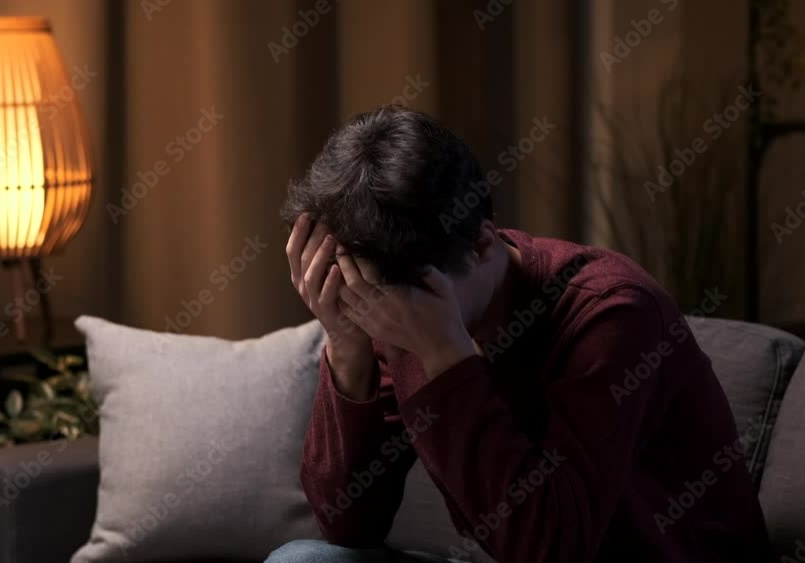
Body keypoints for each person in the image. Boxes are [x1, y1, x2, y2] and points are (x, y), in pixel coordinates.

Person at [268, 106, 774, 563]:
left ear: (483, 245)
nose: (388, 318)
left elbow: (552, 550)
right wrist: (346, 343)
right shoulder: (392, 294)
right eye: (363, 295)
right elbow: (349, 526)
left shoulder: (612, 313)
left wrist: (445, 354)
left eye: (400, 299)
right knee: (305, 561)